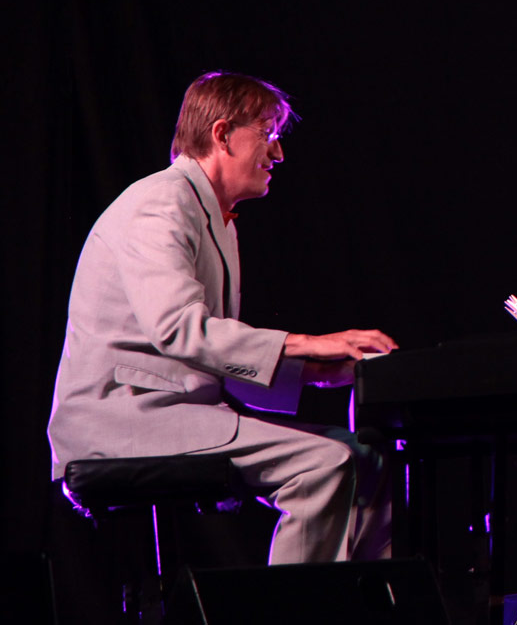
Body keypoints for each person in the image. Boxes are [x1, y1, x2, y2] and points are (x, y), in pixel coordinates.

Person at [48, 71, 399, 563]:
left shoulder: (212, 217)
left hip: (171, 410)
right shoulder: (159, 204)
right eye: (268, 134)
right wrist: (306, 344)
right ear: (221, 134)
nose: (277, 154)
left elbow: (216, 357)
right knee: (328, 464)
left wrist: (319, 374)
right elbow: (180, 329)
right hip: (123, 416)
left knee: (371, 458)